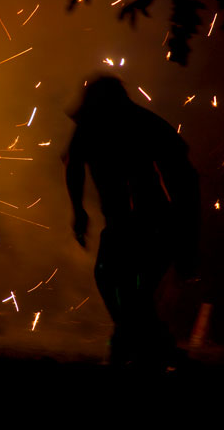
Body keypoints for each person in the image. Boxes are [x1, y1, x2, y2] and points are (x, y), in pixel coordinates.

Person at [65, 75, 200, 370]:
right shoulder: (90, 127)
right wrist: (79, 212)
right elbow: (74, 166)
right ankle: (152, 347)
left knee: (129, 289)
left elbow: (182, 175)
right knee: (114, 282)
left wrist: (183, 225)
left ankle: (140, 347)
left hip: (153, 221)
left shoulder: (142, 124)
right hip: (122, 223)